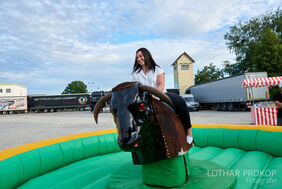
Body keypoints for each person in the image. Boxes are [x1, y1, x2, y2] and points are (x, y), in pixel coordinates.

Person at [132, 47, 193, 143]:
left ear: (146, 55)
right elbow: (136, 88)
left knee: (180, 101)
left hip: (160, 95)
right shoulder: (136, 73)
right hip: (144, 99)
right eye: (137, 57)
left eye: (140, 56)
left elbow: (161, 85)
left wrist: (152, 95)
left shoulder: (157, 68)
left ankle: (189, 131)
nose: (139, 59)